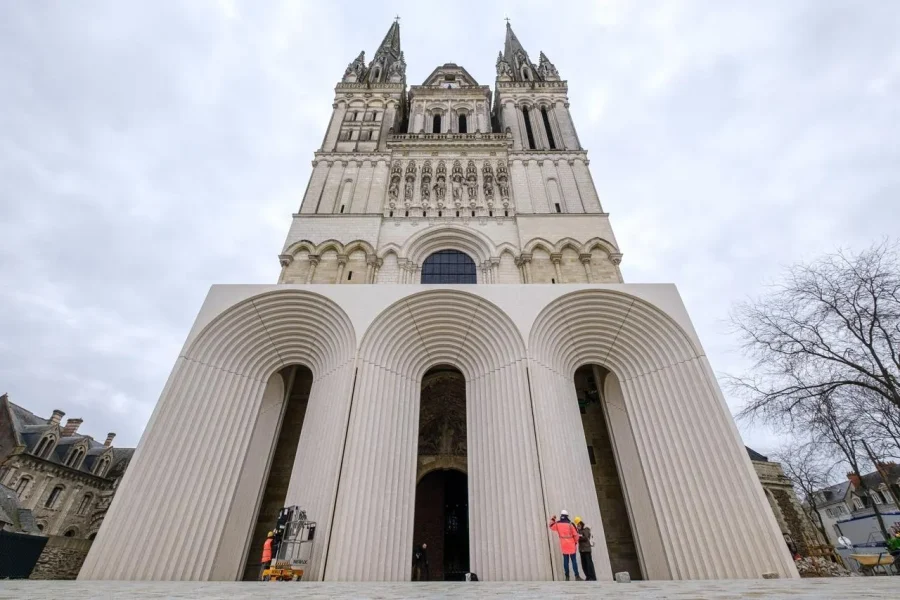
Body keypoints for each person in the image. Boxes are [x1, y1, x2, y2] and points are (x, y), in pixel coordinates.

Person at [549, 510, 584, 581]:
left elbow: (551, 526)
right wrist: (575, 542)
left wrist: (553, 519)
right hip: (571, 544)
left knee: (565, 561)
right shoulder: (570, 524)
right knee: (574, 560)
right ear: (567, 516)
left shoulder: (557, 524)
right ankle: (577, 576)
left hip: (563, 544)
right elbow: (576, 535)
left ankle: (567, 577)